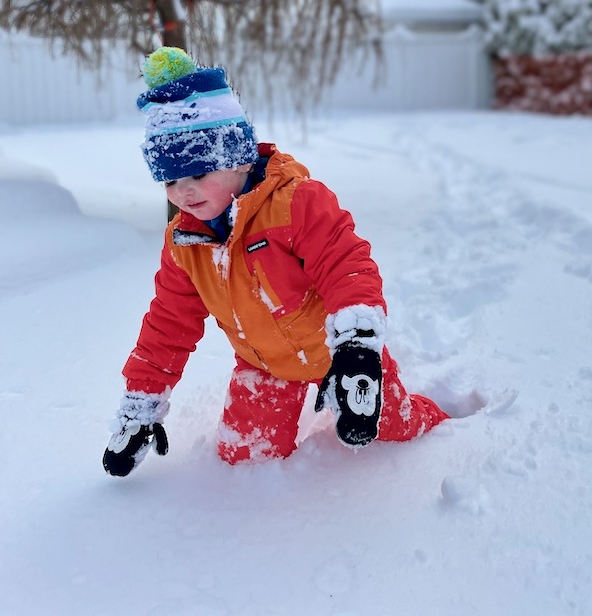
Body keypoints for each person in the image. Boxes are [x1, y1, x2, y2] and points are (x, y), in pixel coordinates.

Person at [102, 47, 450, 477]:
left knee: (391, 427)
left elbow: (347, 266)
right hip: (264, 366)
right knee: (243, 459)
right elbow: (168, 324)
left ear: (239, 157)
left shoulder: (296, 204)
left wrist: (358, 350)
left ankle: (443, 423)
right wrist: (141, 404)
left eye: (198, 173)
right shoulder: (185, 242)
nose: (184, 192)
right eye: (170, 179)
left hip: (337, 354)